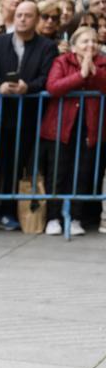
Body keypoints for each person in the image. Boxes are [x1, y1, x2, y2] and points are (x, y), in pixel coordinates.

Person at [0, 0, 58, 230]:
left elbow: (46, 78)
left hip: (28, 117)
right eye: (19, 14)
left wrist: (29, 87)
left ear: (36, 19)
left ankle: (9, 211)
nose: (22, 19)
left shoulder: (46, 47)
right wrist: (0, 86)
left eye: (28, 15)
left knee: (17, 167)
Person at [40, 26, 106, 235]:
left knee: (83, 172)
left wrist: (93, 74)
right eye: (85, 41)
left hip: (91, 126)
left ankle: (76, 217)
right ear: (75, 45)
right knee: (58, 173)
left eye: (94, 41)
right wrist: (81, 75)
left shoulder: (103, 63)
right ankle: (53, 217)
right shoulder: (62, 61)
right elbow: (54, 87)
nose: (90, 45)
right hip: (62, 125)